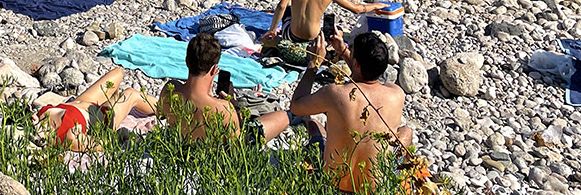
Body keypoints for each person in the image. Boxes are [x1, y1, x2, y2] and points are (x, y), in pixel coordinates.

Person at [289, 31, 413, 193]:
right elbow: (367, 77)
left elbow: (296, 106)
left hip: (334, 186)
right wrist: (343, 51)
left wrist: (314, 64)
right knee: (406, 132)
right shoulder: (396, 94)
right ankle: (405, 178)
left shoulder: (335, 93)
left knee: (314, 125)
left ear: (355, 63)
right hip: (377, 189)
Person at [159, 32, 291, 144]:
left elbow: (162, 114)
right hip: (218, 155)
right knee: (282, 116)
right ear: (214, 69)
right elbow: (237, 148)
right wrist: (234, 106)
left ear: (187, 61)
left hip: (184, 146)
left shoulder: (169, 90)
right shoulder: (223, 108)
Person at [36, 66, 156, 151]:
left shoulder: (40, 116)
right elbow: (106, 143)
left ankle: (117, 100)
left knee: (117, 73)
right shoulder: (69, 136)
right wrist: (118, 135)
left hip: (84, 101)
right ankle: (166, 109)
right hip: (106, 116)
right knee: (131, 93)